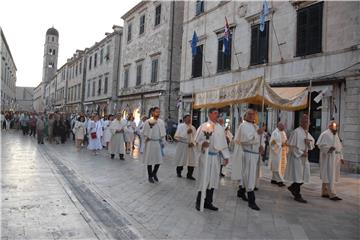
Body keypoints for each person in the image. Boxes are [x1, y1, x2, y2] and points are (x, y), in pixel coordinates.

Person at [194, 108, 230, 211]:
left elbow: (223, 144)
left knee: (213, 179)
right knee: (204, 178)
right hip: (206, 157)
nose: (216, 115)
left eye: (217, 114)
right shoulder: (204, 126)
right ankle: (199, 201)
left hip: (215, 157)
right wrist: (202, 144)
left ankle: (208, 202)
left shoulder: (220, 128)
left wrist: (226, 156)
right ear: (209, 114)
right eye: (214, 113)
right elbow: (197, 141)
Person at [236, 109, 265, 211]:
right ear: (245, 115)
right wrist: (257, 134)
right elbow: (245, 140)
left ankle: (241, 191)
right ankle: (251, 200)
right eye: (249, 114)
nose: (251, 116)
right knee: (250, 175)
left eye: (253, 114)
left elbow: (262, 139)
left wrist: (262, 146)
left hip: (256, 155)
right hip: (248, 154)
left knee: (248, 174)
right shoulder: (243, 126)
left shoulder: (256, 126)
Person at [284, 114, 315, 203]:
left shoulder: (307, 133)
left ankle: (292, 187)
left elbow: (312, 144)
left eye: (307, 121)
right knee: (298, 176)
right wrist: (301, 153)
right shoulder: (296, 132)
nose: (306, 123)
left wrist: (308, 142)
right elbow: (292, 147)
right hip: (297, 158)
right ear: (301, 122)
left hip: (304, 158)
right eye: (305, 121)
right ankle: (297, 195)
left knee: (304, 176)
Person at [316, 121, 344, 201]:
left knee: (328, 175)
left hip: (335, 158)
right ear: (330, 126)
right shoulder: (325, 134)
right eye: (334, 126)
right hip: (328, 158)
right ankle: (332, 194)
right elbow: (320, 145)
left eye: (336, 126)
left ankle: (324, 192)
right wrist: (328, 149)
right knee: (329, 175)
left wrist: (341, 157)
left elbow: (339, 146)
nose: (336, 128)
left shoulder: (336, 135)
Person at [142, 107, 166, 183]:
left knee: (158, 160)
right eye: (156, 112)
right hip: (150, 143)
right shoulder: (147, 121)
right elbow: (143, 132)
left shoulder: (161, 122)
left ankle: (154, 173)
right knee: (149, 160)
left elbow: (163, 133)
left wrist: (163, 142)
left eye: (159, 112)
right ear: (152, 112)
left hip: (158, 143)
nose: (158, 114)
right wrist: (150, 127)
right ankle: (150, 176)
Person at [174, 114, 197, 180]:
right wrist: (186, 132)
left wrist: (193, 143)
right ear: (184, 119)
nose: (189, 119)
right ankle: (179, 172)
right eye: (188, 118)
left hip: (190, 146)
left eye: (190, 118)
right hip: (182, 145)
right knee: (181, 159)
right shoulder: (180, 126)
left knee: (191, 160)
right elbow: (177, 136)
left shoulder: (193, 127)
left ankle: (189, 174)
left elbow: (195, 137)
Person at [268, 122, 288, 187]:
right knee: (277, 166)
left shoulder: (283, 132)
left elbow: (285, 140)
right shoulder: (275, 133)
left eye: (284, 126)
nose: (284, 127)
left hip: (282, 152)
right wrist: (280, 145)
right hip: (276, 153)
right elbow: (272, 143)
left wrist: (286, 143)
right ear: (278, 126)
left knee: (279, 166)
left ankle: (273, 179)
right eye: (282, 126)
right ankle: (279, 181)